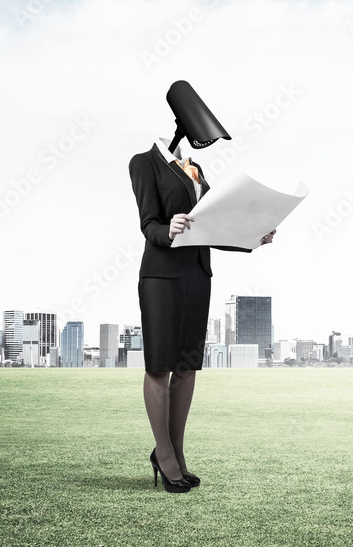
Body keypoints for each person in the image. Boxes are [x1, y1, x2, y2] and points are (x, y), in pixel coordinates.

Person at [128, 80, 276, 493]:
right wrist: (168, 228)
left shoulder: (196, 170)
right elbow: (148, 224)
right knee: (159, 367)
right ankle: (165, 455)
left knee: (187, 368)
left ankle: (175, 452)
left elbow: (211, 227)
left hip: (197, 275)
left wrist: (252, 238)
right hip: (160, 276)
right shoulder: (144, 163)